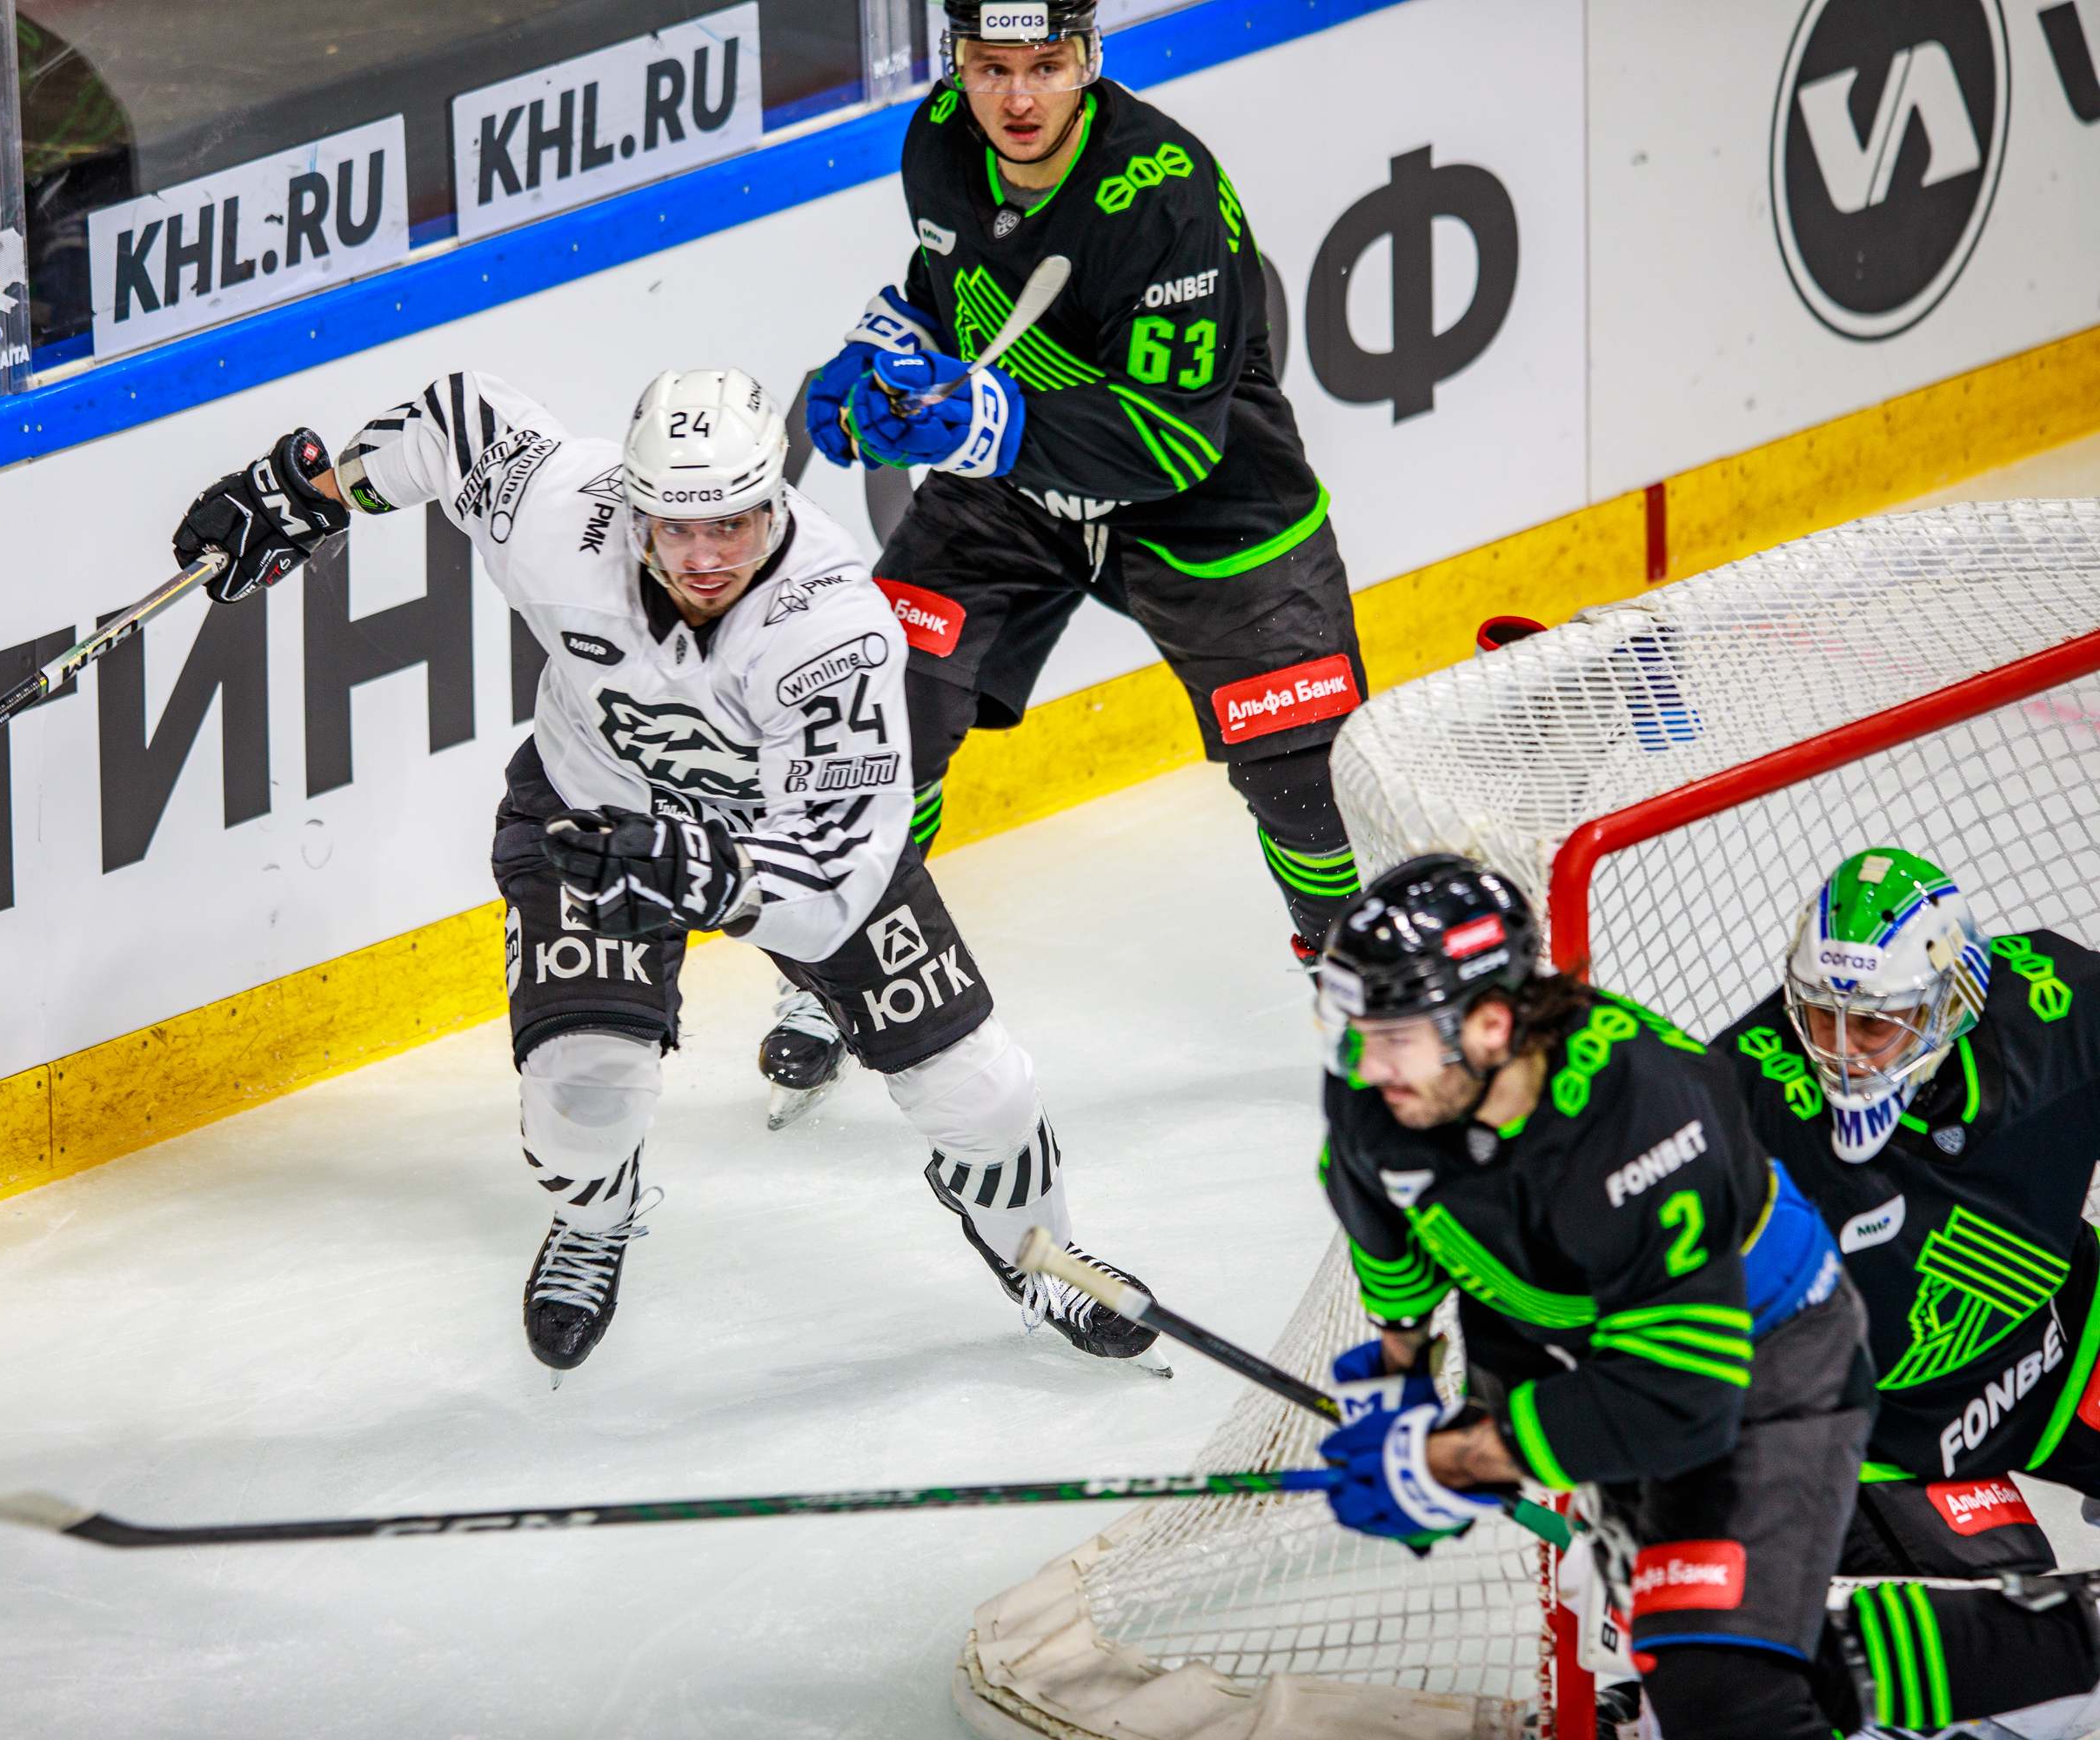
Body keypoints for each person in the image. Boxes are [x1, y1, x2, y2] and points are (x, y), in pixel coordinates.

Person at [165, 368, 1159, 1375]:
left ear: (776, 495)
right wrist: (310, 494)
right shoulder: (561, 513)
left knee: (981, 1091)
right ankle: (597, 1216)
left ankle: (1040, 1253)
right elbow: (454, 420)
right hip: (587, 815)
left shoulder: (832, 627)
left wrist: (709, 870)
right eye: (673, 524)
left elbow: (831, 885)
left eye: (731, 521)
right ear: (630, 504)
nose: (703, 555)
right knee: (579, 1106)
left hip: (780, 844)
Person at [760, 0, 1367, 1121]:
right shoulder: (938, 137)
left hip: (1211, 505)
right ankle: (851, 956)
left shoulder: (1166, 188)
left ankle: (1360, 985)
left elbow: (1175, 436)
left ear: (1091, 58)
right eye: (991, 69)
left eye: (1047, 66)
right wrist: (887, 347)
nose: (1019, 99)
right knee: (879, 715)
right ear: (956, 65)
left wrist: (973, 421)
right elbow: (954, 288)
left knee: (1303, 776)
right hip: (1016, 500)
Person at [1313, 856, 1870, 1740]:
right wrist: (1402, 1379)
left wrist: (1451, 1459)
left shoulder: (1647, 1109)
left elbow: (1681, 1396)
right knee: (1648, 1623)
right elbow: (1391, 1237)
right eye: (1347, 1026)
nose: (1360, 1063)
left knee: (1723, 1688)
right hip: (1558, 1327)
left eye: (1392, 1036)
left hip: (1766, 1363)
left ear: (1490, 1022)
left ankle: (2047, 1639)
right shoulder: (1384, 1089)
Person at [1714, 848, 2100, 1737]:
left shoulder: (2065, 1015)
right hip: (1885, 1439)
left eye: (1875, 1026)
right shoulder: (1741, 1096)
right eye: (1820, 1015)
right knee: (2004, 1669)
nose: (1840, 1054)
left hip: (2059, 1344)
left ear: (1950, 1003)